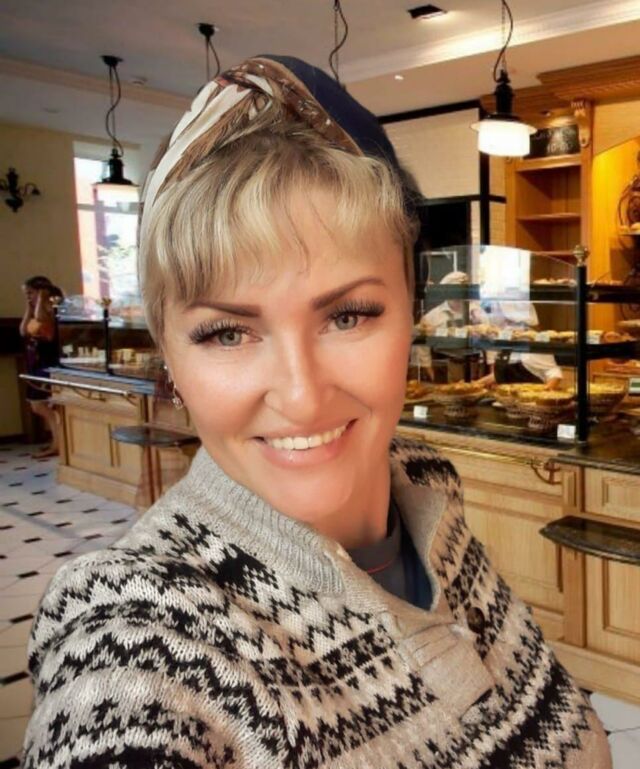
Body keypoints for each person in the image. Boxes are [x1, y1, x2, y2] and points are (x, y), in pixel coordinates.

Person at [23, 56, 610, 768]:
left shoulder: (426, 492)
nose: (301, 395)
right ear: (169, 354)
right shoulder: (140, 626)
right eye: (227, 333)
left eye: (348, 315)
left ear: (413, 315)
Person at [19, 275, 63, 458]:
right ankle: (57, 441)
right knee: (37, 405)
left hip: (49, 362)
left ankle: (58, 444)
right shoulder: (35, 310)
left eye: (30, 293)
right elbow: (23, 330)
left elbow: (43, 321)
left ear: (41, 292)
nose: (28, 297)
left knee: (44, 405)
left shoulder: (50, 309)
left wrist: (41, 299)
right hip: (36, 362)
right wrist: (29, 306)